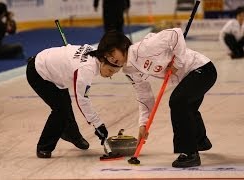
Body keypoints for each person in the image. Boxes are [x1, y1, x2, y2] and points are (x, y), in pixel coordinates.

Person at [90, 29, 217, 168]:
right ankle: (200, 141)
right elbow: (144, 94)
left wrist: (177, 64)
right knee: (188, 107)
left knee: (178, 102)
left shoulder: (143, 48)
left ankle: (189, 153)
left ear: (122, 46)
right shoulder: (129, 70)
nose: (111, 59)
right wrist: (143, 124)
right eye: (107, 57)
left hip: (202, 69)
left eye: (111, 53)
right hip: (188, 76)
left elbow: (175, 34)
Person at [26, 43, 123, 158]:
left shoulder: (98, 53)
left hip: (53, 70)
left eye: (114, 72)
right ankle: (44, 147)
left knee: (65, 105)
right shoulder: (87, 69)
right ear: (102, 61)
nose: (111, 75)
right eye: (110, 70)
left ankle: (71, 134)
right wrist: (98, 124)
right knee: (60, 110)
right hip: (39, 73)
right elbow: (82, 100)